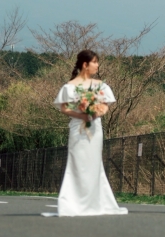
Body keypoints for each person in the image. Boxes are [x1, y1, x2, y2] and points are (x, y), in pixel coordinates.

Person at [42, 50, 128, 217]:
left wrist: (97, 111)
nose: (97, 65)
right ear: (85, 64)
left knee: (94, 163)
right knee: (77, 163)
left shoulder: (100, 85)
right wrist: (81, 115)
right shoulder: (70, 86)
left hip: (95, 128)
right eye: (94, 62)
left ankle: (96, 202)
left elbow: (106, 105)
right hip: (78, 128)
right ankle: (73, 203)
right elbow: (64, 108)